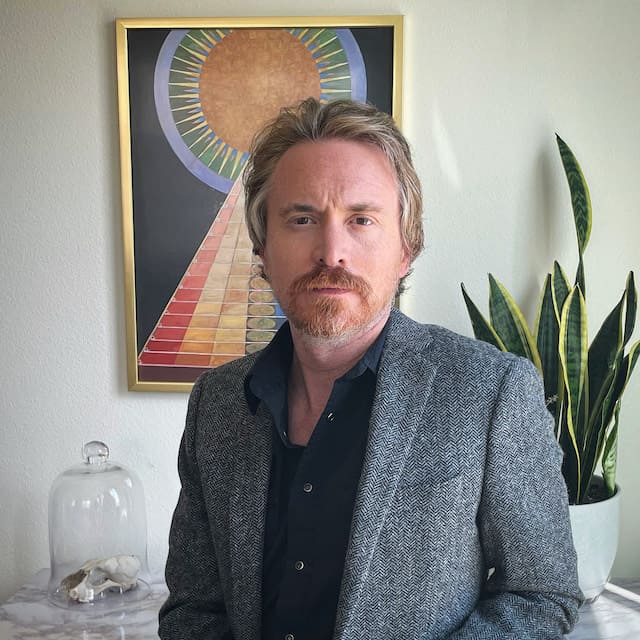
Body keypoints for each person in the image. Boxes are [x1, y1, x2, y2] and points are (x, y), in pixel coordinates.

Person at [158, 98, 582, 640]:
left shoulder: (493, 392)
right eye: (302, 219)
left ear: (407, 247)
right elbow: (194, 608)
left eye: (361, 219)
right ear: (263, 247)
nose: (332, 252)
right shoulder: (216, 404)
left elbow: (542, 594)